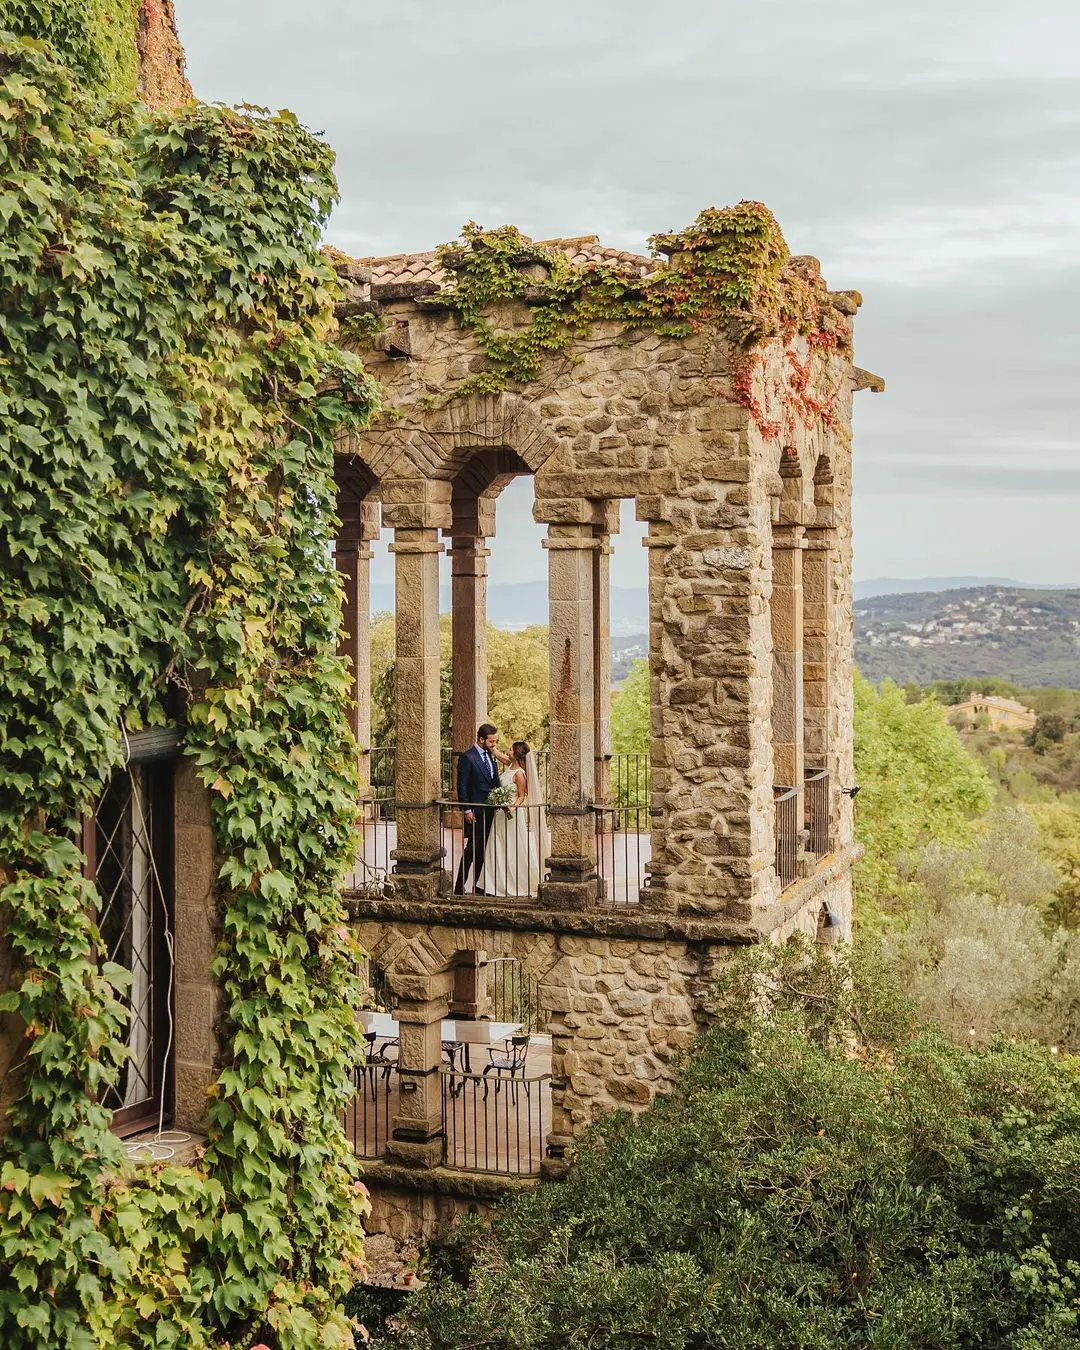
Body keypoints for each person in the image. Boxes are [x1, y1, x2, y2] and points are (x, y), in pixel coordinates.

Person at [477, 740, 549, 898]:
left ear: (516, 754)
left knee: (511, 847)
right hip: (500, 814)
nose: (508, 750)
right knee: (497, 845)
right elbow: (499, 756)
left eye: (510, 749)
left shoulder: (520, 774)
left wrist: (512, 806)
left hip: (512, 815)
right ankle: (494, 883)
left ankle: (514, 883)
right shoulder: (510, 765)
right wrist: (491, 747)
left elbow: (522, 795)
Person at [454, 723, 500, 895]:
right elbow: (462, 785)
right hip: (476, 812)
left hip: (490, 811)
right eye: (491, 741)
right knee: (472, 849)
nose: (494, 744)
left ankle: (478, 887)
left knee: (484, 850)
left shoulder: (490, 755)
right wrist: (467, 809)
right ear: (481, 739)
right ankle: (459, 887)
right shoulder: (468, 757)